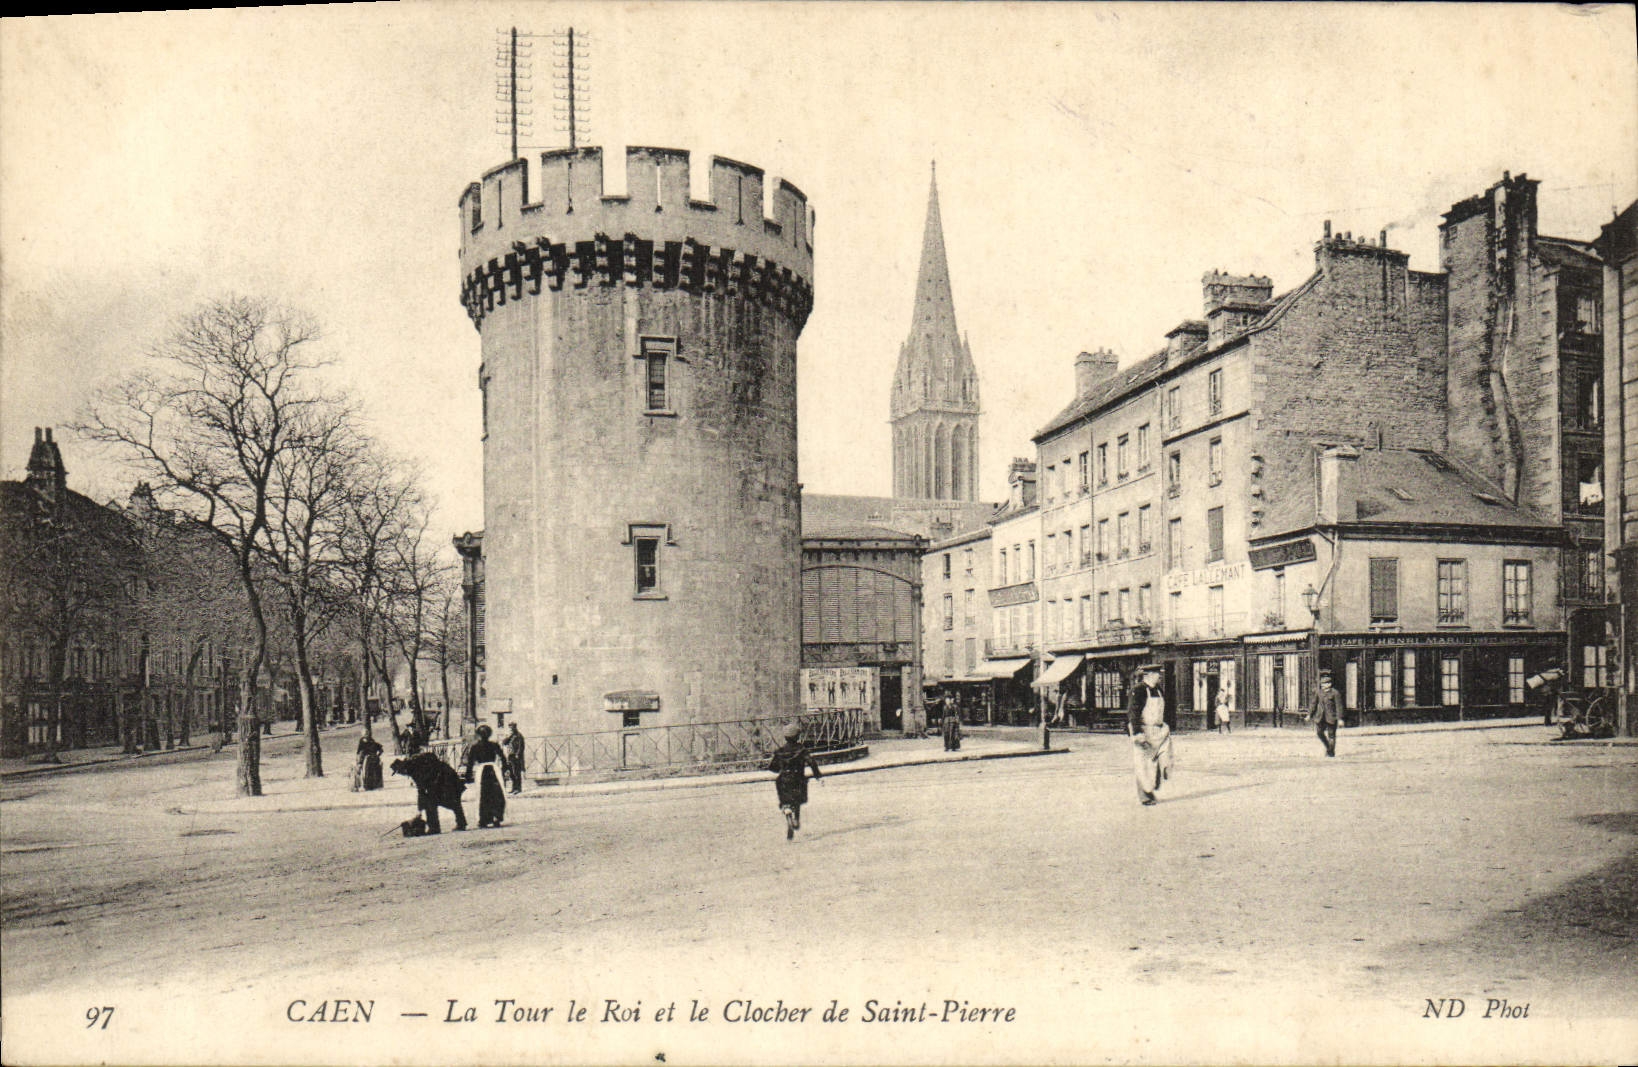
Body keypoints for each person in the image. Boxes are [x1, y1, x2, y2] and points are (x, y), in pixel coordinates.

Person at [1126, 664, 1173, 806]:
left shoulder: (1159, 690)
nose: (1159, 676)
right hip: (1144, 730)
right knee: (1143, 764)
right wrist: (1137, 733)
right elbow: (1133, 713)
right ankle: (1145, 795)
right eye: (1157, 674)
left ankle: (1152, 786)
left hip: (1158, 730)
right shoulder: (1138, 690)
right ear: (1148, 675)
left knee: (1163, 758)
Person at [767, 722, 823, 840]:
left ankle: (787, 812)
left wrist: (781, 768)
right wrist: (818, 776)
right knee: (797, 800)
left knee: (785, 800)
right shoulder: (802, 750)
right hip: (798, 778)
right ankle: (796, 820)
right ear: (798, 736)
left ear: (785, 737)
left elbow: (773, 767)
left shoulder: (780, 751)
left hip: (783, 780)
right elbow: (812, 762)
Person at [390, 752, 468, 833]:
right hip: (447, 778)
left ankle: (434, 828)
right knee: (450, 802)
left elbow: (421, 789)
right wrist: (420, 809)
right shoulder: (414, 764)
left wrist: (420, 810)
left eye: (398, 771)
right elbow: (422, 789)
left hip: (446, 780)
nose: (401, 773)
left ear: (402, 769)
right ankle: (459, 824)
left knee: (434, 803)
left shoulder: (413, 768)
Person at [462, 724, 509, 828]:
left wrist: (468, 776)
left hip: (482, 771)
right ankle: (497, 816)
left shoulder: (475, 747)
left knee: (483, 794)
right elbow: (503, 757)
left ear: (479, 735)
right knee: (496, 793)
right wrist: (504, 769)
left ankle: (484, 819)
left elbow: (470, 762)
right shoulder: (494, 745)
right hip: (493, 771)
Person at [1310, 669, 1343, 757]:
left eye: (1328, 683)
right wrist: (1309, 714)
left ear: (1330, 684)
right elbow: (1314, 704)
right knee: (1319, 732)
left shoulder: (1335, 693)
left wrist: (1340, 719)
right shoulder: (1319, 692)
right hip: (1320, 717)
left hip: (1331, 717)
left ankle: (1330, 752)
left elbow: (1339, 707)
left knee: (1331, 735)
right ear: (1321, 684)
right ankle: (1329, 748)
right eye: (1324, 684)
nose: (1326, 685)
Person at [354, 727, 384, 792]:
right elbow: (360, 751)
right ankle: (367, 785)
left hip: (373, 758)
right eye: (365, 733)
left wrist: (377, 755)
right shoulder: (362, 741)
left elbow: (378, 747)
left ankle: (375, 785)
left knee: (374, 771)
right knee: (366, 771)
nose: (366, 734)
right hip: (366, 758)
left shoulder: (371, 740)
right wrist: (359, 760)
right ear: (362, 734)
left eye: (367, 733)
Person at [503, 722, 526, 795]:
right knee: (511, 773)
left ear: (515, 727)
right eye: (510, 727)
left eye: (512, 727)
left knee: (516, 772)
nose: (511, 729)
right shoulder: (511, 736)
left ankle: (518, 788)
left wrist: (517, 754)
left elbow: (521, 747)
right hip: (510, 756)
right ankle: (514, 788)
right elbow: (504, 742)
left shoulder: (519, 736)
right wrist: (509, 736)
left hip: (516, 756)